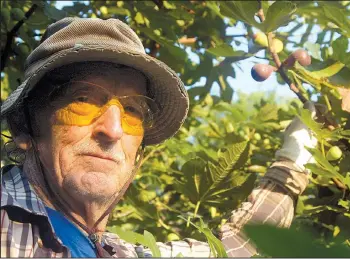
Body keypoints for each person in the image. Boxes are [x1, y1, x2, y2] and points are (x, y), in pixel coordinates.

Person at [0, 17, 318, 257]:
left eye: (134, 111)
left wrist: (294, 159)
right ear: (25, 127)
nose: (113, 129)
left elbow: (235, 249)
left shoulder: (121, 252)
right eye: (82, 100)